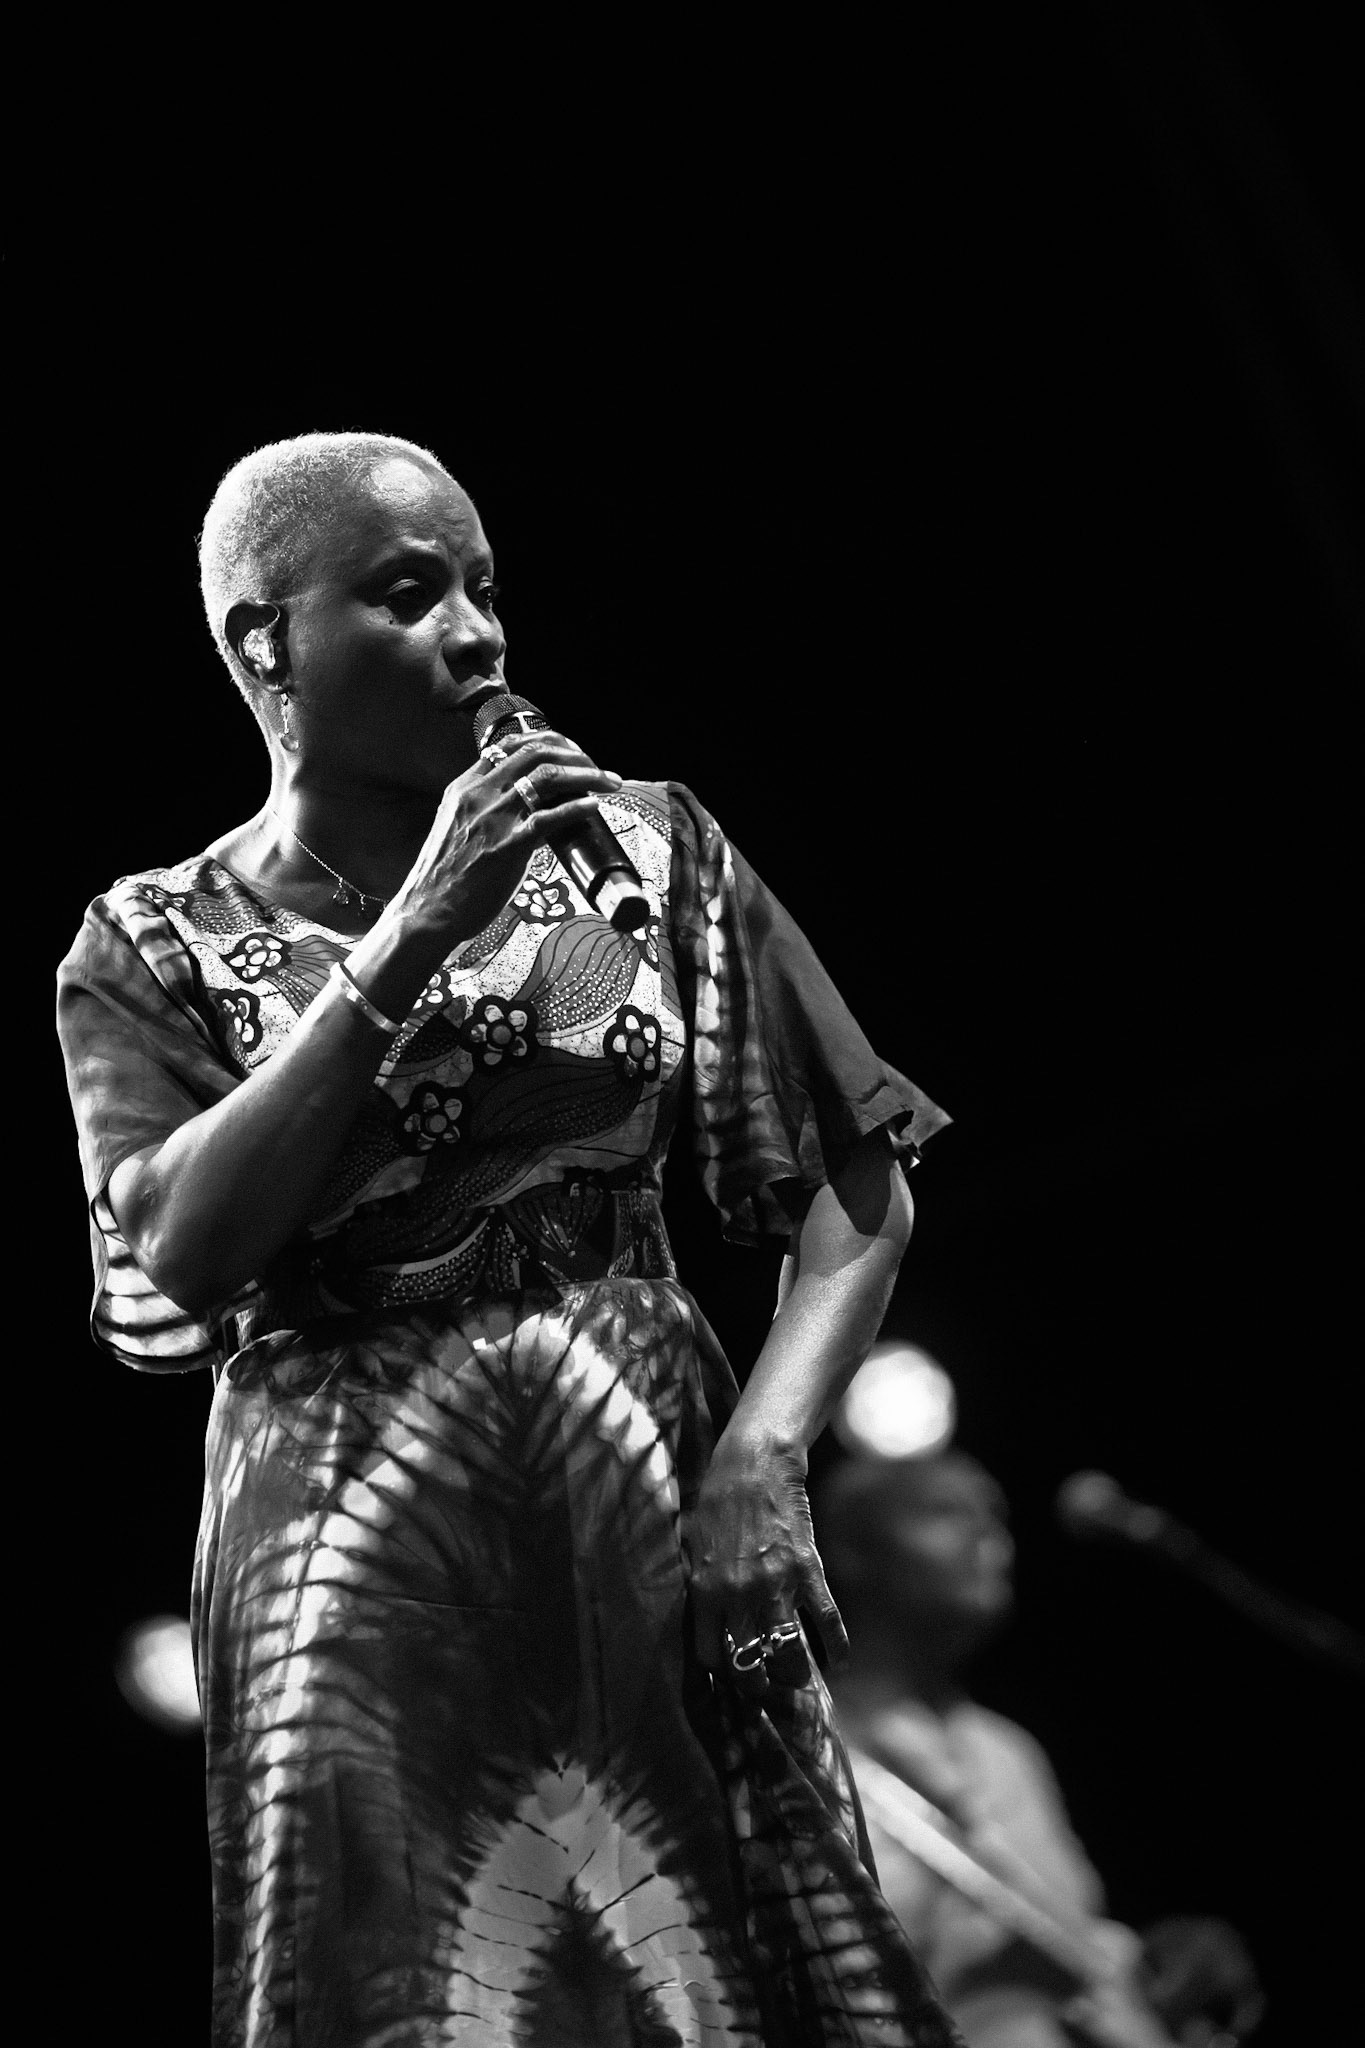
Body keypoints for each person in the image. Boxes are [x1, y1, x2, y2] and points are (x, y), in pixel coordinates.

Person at [56, 432, 960, 2047]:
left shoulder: (649, 850)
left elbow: (855, 1177)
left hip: (654, 1508)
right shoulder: (151, 938)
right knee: (434, 1988)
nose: (475, 634)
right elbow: (181, 1251)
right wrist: (412, 935)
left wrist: (764, 1449)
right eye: (410, 595)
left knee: (721, 1964)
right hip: (361, 1561)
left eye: (483, 591)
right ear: (267, 642)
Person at [814, 1453, 1265, 2048]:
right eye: (945, 1511)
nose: (988, 1535)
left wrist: (1156, 1959)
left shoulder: (1008, 1751)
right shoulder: (807, 1746)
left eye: (995, 1517)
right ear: (846, 1553)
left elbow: (1078, 1950)